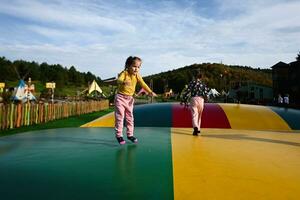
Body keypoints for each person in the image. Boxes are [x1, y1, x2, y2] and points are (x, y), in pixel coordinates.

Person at [114, 56, 157, 145]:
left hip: (129, 99)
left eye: (138, 67)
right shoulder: (124, 73)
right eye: (134, 66)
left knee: (130, 117)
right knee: (120, 116)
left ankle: (130, 135)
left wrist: (150, 91)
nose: (136, 69)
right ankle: (119, 135)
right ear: (128, 66)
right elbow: (119, 80)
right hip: (120, 98)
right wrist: (123, 82)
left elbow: (143, 84)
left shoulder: (137, 76)